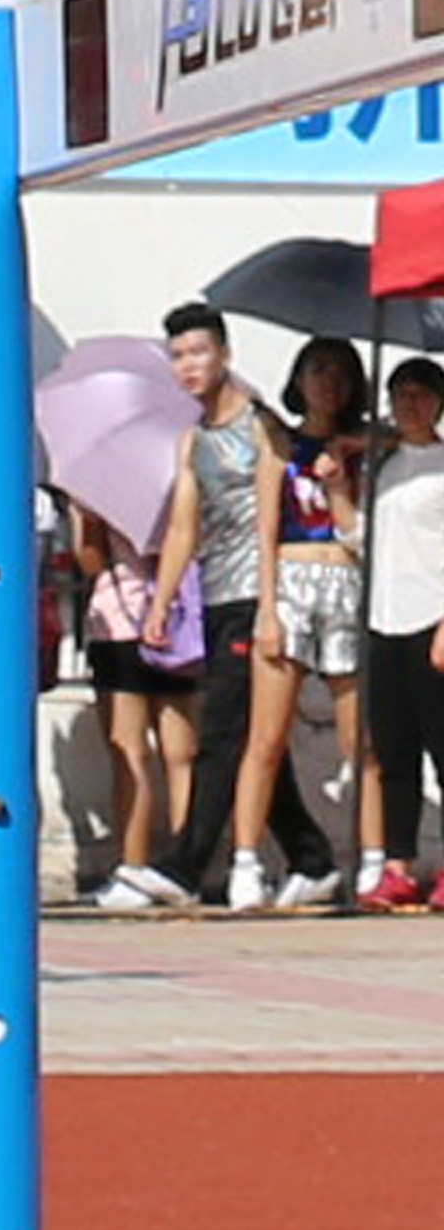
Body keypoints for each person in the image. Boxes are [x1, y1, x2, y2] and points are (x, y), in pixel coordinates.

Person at [134, 302, 339, 909]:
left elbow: (273, 523)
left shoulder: (261, 427)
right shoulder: (193, 439)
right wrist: (162, 601)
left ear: (224, 354)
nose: (189, 365)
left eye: (199, 352)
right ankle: (311, 857)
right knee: (256, 738)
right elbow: (184, 526)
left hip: (260, 593)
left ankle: (183, 864)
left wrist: (272, 607)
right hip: (218, 595)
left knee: (224, 730)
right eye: (178, 356)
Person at [227, 337, 371, 913]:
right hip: (290, 576)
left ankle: (371, 857)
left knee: (359, 738)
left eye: (340, 373)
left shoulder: (362, 447)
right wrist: (267, 609)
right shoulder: (280, 445)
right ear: (299, 379)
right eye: (318, 370)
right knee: (266, 736)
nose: (329, 383)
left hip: (345, 580)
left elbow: (402, 438)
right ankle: (245, 861)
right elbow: (264, 532)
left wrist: (353, 449)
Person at [66, 492, 193, 910]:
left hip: (120, 621)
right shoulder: (176, 486)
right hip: (178, 621)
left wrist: (86, 522)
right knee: (181, 754)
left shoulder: (106, 489)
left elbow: (92, 561)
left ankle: (133, 866)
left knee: (129, 753)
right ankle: (185, 868)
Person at [361, 354, 444, 909]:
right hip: (383, 618)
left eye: (420, 394)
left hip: (430, 616)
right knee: (394, 751)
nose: (409, 405)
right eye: (400, 395)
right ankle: (398, 864)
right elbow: (359, 538)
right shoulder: (384, 467)